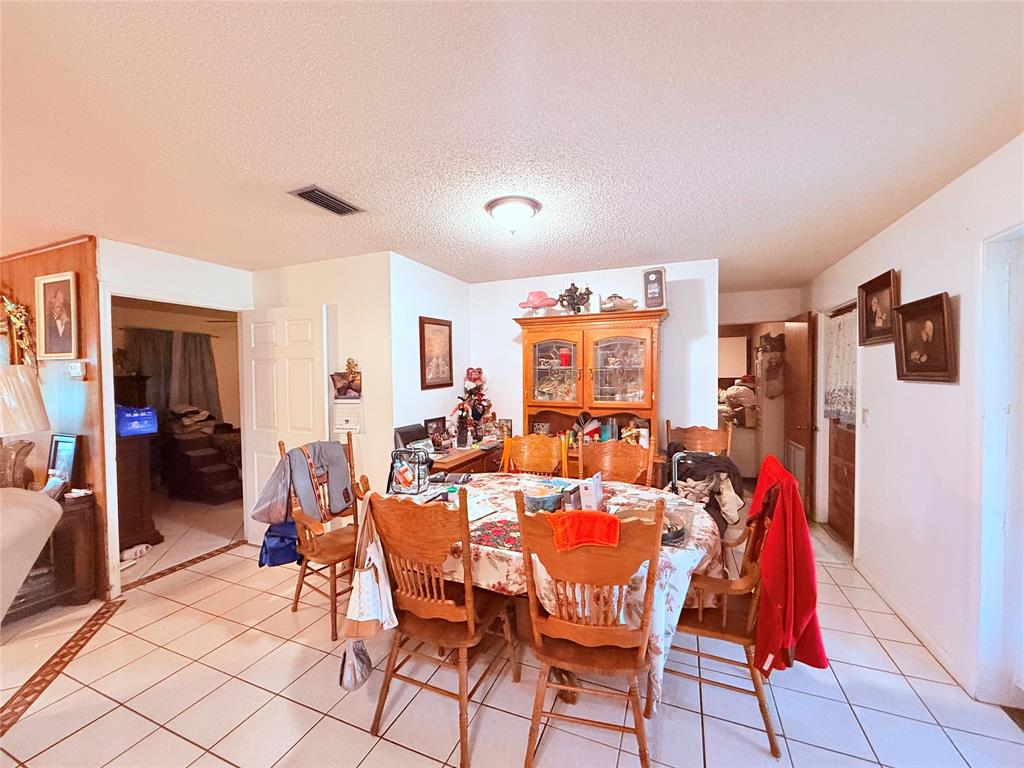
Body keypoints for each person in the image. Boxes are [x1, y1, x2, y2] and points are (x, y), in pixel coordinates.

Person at [44, 285, 72, 354]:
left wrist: (65, 324)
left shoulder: (68, 321)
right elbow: (55, 343)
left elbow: (69, 344)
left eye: (62, 301)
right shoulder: (46, 320)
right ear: (52, 301)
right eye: (58, 299)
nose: (60, 303)